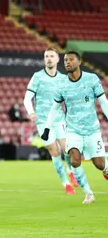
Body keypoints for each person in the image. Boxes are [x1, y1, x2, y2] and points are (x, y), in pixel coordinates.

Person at [41, 51, 108, 204]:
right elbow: (55, 108)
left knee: (100, 164)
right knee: (75, 160)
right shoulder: (62, 84)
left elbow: (103, 102)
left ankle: (106, 168)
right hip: (72, 130)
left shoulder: (91, 79)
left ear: (79, 62)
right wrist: (47, 128)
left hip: (92, 130)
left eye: (71, 59)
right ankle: (88, 193)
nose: (67, 62)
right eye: (65, 60)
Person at [24, 48, 78, 194]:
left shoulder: (63, 78)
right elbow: (27, 98)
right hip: (42, 120)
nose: (48, 59)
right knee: (54, 151)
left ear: (57, 59)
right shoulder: (37, 77)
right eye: (46, 56)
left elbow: (69, 99)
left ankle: (71, 171)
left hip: (59, 118)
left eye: (51, 56)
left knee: (66, 149)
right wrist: (31, 112)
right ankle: (65, 183)